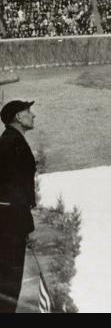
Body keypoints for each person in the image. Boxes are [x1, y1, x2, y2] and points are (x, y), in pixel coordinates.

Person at [0, 100, 37, 313]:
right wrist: (25, 224)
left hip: (10, 219)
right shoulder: (11, 143)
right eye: (28, 111)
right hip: (10, 223)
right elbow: (16, 189)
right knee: (9, 280)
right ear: (18, 117)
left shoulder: (11, 141)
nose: (33, 115)